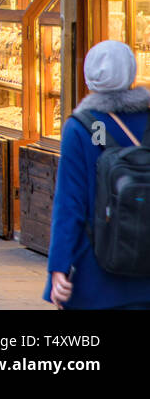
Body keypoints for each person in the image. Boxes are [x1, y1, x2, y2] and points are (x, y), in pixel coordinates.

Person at [46, 40, 150, 309]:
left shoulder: (81, 128)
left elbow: (70, 203)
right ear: (131, 72)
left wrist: (59, 266)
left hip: (95, 271)